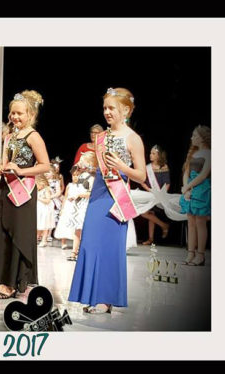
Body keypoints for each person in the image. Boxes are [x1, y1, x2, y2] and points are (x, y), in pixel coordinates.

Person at [68, 87, 147, 314]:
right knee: (90, 245)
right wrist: (88, 165)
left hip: (116, 198)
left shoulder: (133, 139)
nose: (107, 112)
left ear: (126, 110)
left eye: (111, 108)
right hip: (98, 196)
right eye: (105, 108)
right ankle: (91, 295)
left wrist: (122, 167)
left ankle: (106, 298)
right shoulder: (101, 137)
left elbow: (141, 175)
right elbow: (100, 168)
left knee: (110, 248)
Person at [0, 90, 51, 299]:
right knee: (4, 232)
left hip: (23, 192)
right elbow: (5, 161)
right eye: (12, 113)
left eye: (20, 114)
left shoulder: (34, 137)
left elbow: (45, 165)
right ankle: (2, 278)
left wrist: (21, 171)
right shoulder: (9, 136)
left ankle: (13, 282)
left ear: (30, 115)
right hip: (7, 188)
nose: (15, 117)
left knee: (18, 235)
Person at [180, 125, 211, 266]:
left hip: (201, 189)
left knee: (200, 222)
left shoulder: (209, 153)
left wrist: (188, 186)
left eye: (194, 135)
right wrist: (186, 189)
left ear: (202, 137)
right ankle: (190, 252)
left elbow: (204, 175)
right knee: (190, 222)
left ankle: (200, 255)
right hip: (190, 189)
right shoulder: (193, 154)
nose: (192, 138)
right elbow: (186, 172)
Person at [55, 154, 96, 259]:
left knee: (84, 230)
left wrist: (79, 195)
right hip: (78, 206)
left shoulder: (91, 178)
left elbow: (92, 193)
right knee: (77, 230)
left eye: (82, 160)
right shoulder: (81, 175)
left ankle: (84, 253)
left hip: (85, 206)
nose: (80, 162)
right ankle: (74, 252)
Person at [138, 145, 171, 245]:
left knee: (150, 214)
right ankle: (164, 226)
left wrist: (162, 193)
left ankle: (151, 238)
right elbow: (142, 181)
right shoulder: (147, 168)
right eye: (150, 153)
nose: (150, 155)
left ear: (158, 155)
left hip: (161, 195)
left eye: (153, 153)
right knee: (145, 213)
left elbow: (167, 183)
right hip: (149, 194)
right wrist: (149, 190)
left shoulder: (164, 166)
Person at [36, 175, 55, 247]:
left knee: (45, 225)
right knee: (39, 225)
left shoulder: (46, 190)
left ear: (42, 182)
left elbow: (48, 200)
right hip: (39, 209)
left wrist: (38, 198)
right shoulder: (38, 190)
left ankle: (44, 240)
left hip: (45, 209)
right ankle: (37, 238)